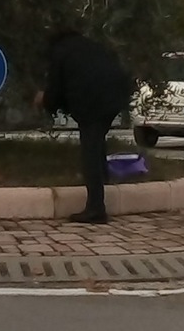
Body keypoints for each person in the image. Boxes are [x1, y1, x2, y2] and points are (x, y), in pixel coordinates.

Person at [35, 29, 133, 224]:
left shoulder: (60, 53)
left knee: (90, 149)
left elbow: (56, 91)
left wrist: (43, 99)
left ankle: (96, 208)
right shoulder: (89, 46)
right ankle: (103, 179)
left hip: (94, 101)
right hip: (115, 95)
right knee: (96, 141)